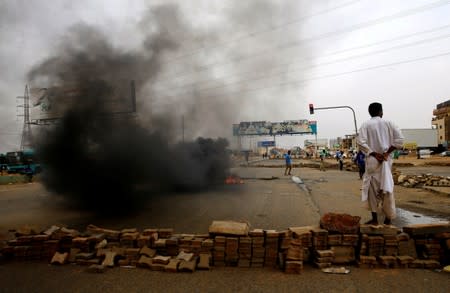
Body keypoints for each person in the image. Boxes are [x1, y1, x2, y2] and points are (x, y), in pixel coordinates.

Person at [357, 102, 404, 225]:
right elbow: (399, 140)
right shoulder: (390, 123)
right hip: (386, 161)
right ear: (381, 111)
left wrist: (373, 153)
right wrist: (386, 153)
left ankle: (375, 219)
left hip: (373, 161)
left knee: (372, 190)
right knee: (387, 188)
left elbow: (361, 142)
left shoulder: (365, 125)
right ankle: (388, 219)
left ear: (370, 112)